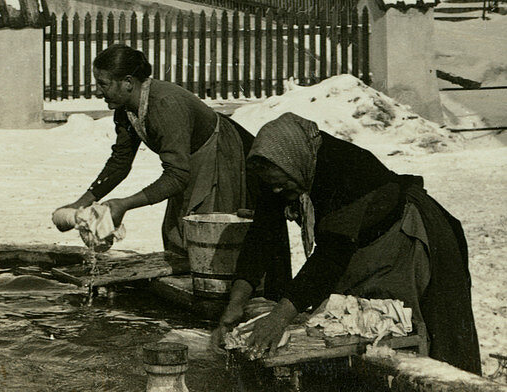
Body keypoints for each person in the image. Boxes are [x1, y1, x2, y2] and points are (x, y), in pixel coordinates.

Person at [212, 113, 480, 374]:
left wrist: (280, 317)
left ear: (295, 164)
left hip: (401, 237)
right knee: (349, 324)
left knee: (406, 327)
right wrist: (235, 304)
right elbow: (262, 235)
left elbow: (330, 257)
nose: (277, 193)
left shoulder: (341, 170)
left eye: (282, 185)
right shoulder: (280, 170)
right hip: (356, 243)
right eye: (273, 186)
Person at [51, 44, 256, 254]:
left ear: (128, 82)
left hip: (223, 156)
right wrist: (81, 203)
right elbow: (120, 162)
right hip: (191, 162)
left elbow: (176, 176)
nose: (98, 91)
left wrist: (124, 204)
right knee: (178, 235)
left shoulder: (165, 105)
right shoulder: (125, 109)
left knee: (206, 237)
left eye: (103, 84)